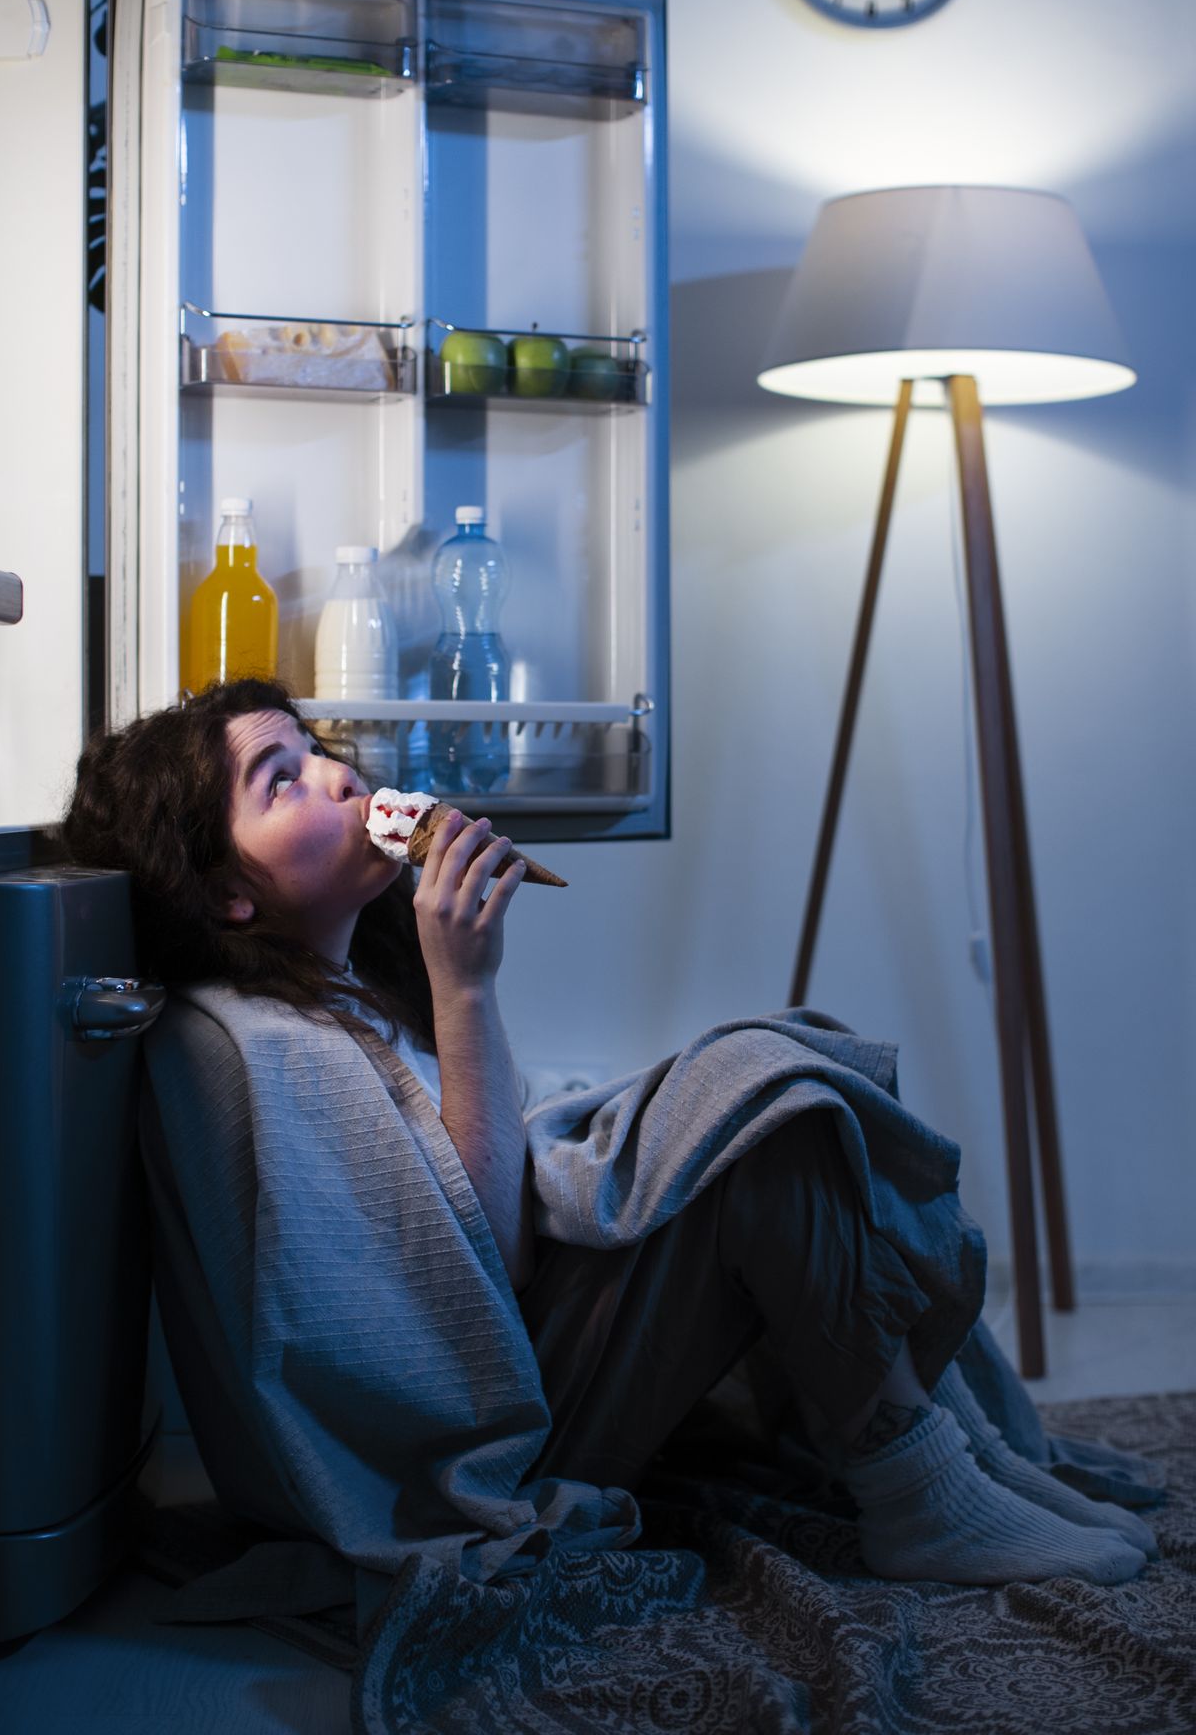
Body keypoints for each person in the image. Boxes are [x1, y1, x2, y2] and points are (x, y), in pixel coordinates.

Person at [62, 676, 1159, 1606]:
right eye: (280, 783)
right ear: (224, 895)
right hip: (493, 1436)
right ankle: (921, 1500)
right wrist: (468, 982)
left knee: (779, 1064)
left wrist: (573, 1098)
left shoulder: (354, 987)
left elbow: (480, 1176)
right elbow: (473, 1281)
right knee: (759, 1115)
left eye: (315, 753)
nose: (339, 778)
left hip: (536, 1357)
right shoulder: (256, 1049)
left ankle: (972, 1458)